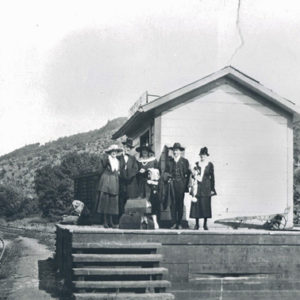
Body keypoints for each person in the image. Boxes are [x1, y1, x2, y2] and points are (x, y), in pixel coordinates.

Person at [189, 147, 217, 230]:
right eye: (201, 155)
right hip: (198, 187)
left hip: (206, 187)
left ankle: (205, 224)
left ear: (206, 156)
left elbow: (212, 177)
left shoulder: (210, 164)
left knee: (206, 205)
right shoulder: (196, 164)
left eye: (204, 155)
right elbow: (193, 176)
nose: (202, 157)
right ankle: (197, 224)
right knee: (196, 205)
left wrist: (212, 188)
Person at [96, 144, 122, 228]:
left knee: (113, 201)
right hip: (106, 180)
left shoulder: (117, 161)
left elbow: (118, 171)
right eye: (112, 151)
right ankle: (105, 221)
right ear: (110, 152)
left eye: (116, 151)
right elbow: (100, 170)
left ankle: (111, 221)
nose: (114, 153)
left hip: (114, 181)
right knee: (105, 201)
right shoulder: (106, 159)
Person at [164, 142, 190, 229]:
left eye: (177, 150)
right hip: (172, 185)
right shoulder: (169, 162)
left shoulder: (185, 161)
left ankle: (179, 223)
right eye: (174, 150)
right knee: (172, 204)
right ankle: (174, 222)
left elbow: (187, 173)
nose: (175, 152)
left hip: (181, 185)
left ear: (180, 151)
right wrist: (168, 179)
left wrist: (185, 184)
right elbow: (166, 173)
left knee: (180, 204)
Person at [136, 143, 160, 229]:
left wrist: (152, 172)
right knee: (143, 202)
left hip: (151, 185)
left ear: (148, 152)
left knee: (152, 202)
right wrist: (139, 172)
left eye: (146, 151)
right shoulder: (138, 161)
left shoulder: (153, 160)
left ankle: (155, 222)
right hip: (142, 184)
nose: (144, 153)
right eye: (143, 151)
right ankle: (144, 220)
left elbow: (158, 171)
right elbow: (136, 172)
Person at [119, 138, 139, 216]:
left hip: (131, 183)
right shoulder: (119, 158)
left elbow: (135, 169)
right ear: (123, 147)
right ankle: (121, 218)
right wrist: (122, 175)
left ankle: (130, 218)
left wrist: (129, 176)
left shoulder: (133, 158)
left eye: (129, 148)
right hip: (122, 182)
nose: (127, 149)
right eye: (126, 147)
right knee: (121, 200)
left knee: (130, 200)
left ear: (130, 149)